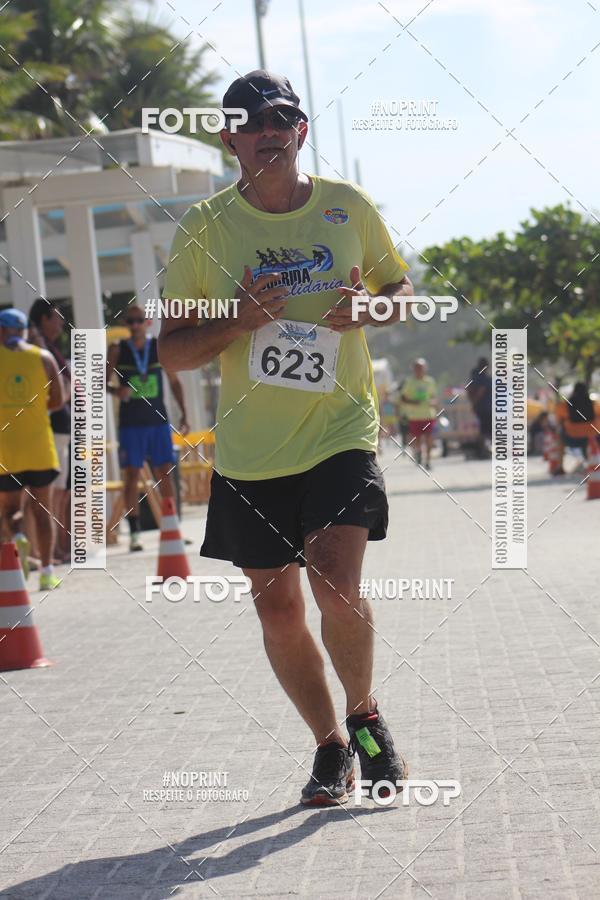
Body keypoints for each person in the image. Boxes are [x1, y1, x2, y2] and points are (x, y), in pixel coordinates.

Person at [158, 69, 415, 806]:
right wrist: (238, 321)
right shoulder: (204, 228)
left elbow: (401, 293)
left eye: (282, 118)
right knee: (277, 611)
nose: (269, 129)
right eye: (251, 120)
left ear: (301, 130)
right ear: (228, 136)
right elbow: (172, 350)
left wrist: (372, 309)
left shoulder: (347, 207)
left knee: (336, 584)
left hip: (339, 430)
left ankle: (364, 715)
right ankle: (329, 745)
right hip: (251, 451)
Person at [107, 307, 189, 551]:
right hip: (131, 424)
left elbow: (174, 382)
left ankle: (172, 527)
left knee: (165, 472)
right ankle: (134, 533)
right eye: (130, 321)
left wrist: (184, 413)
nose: (135, 325)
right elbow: (100, 381)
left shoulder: (159, 347)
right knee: (132, 475)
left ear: (148, 322)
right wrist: (116, 391)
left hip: (158, 421)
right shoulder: (118, 348)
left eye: (139, 321)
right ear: (126, 323)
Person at [0, 308, 64, 589]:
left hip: (6, 447)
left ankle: (16, 537)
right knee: (43, 510)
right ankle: (48, 572)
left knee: (11, 508)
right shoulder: (45, 358)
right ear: (25, 331)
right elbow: (58, 401)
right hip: (39, 445)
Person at [28, 298, 71, 562]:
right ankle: (40, 551)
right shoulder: (39, 348)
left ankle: (52, 549)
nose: (61, 322)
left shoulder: (50, 348)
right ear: (44, 319)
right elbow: (53, 390)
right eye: (56, 317)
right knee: (45, 495)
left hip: (61, 430)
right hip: (50, 428)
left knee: (58, 493)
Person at [554, 382, 600, 475]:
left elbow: (559, 422)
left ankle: (560, 467)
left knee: (560, 435)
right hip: (592, 438)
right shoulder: (595, 404)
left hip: (571, 437)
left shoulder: (564, 405)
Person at [400, 358, 437, 469]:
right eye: (417, 368)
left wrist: (433, 402)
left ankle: (428, 460)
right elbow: (403, 398)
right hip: (414, 416)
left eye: (421, 368)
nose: (419, 370)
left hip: (428, 415)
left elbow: (434, 397)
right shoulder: (409, 382)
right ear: (413, 369)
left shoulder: (430, 381)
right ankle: (418, 452)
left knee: (429, 438)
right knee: (417, 439)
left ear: (425, 369)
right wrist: (413, 402)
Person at [467, 356, 493, 459]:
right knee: (486, 430)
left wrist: (473, 403)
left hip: (481, 407)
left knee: (484, 429)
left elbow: (469, 390)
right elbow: (480, 392)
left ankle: (483, 449)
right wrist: (474, 403)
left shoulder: (474, 376)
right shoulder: (483, 378)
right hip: (486, 407)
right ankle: (483, 450)